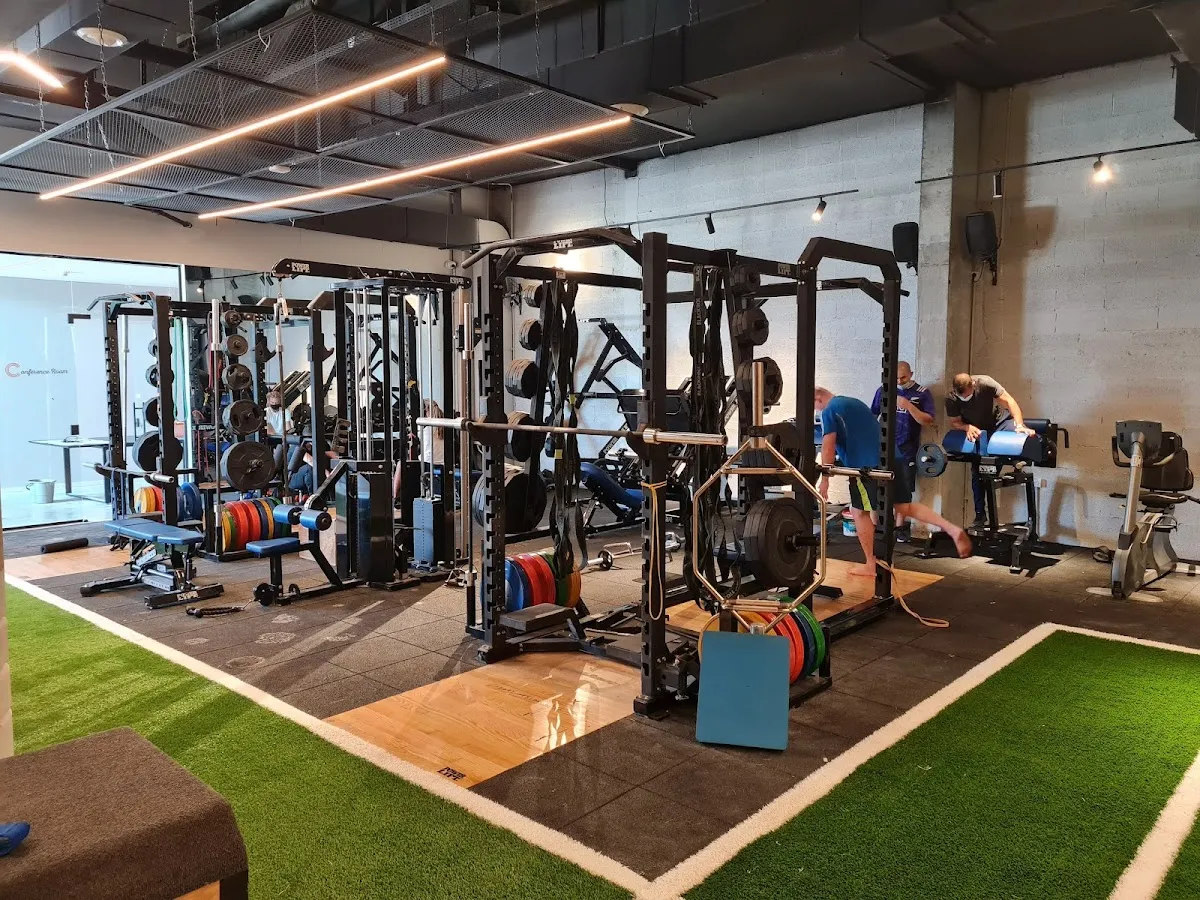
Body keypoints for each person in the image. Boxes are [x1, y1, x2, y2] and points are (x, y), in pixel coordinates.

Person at [815, 387, 972, 577]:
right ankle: (951, 529)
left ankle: (871, 564)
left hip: (867, 467)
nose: (816, 410)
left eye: (814, 405)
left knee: (859, 511)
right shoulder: (855, 403)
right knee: (904, 507)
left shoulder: (829, 411)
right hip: (894, 459)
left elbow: (828, 446)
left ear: (818, 399)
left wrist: (825, 478)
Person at [944, 373, 1036, 525]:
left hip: (998, 422)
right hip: (978, 433)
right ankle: (980, 515)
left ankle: (1017, 460)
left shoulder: (985, 383)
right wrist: (966, 427)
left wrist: (1019, 425)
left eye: (967, 395)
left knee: (1020, 434)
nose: (965, 398)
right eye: (962, 396)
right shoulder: (951, 398)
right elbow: (955, 422)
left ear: (973, 385)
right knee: (978, 475)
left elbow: (1009, 401)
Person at [871, 361, 935, 542]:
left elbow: (928, 420)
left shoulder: (922, 393)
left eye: (903, 377)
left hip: (907, 448)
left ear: (911, 374)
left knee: (904, 491)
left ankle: (900, 528)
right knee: (878, 487)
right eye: (896, 378)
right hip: (883, 446)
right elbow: (872, 415)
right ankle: (879, 527)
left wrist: (908, 406)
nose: (899, 381)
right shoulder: (883, 390)